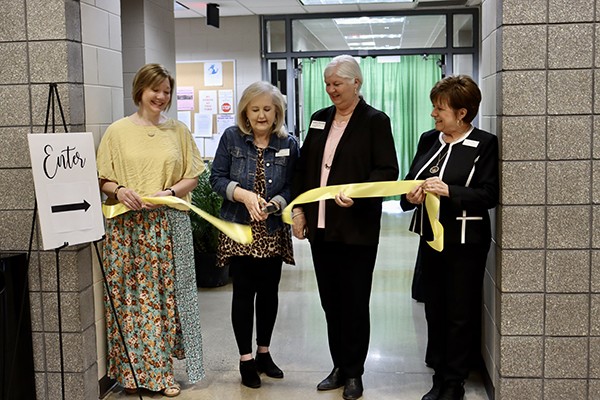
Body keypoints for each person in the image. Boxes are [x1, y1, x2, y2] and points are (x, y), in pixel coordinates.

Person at [291, 55, 399, 400]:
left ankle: (355, 373)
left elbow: (387, 171)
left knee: (353, 303)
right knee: (330, 303)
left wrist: (359, 194)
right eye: (327, 83)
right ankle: (338, 365)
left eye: (337, 83)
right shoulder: (319, 119)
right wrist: (299, 211)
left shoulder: (374, 121)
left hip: (356, 231)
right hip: (322, 230)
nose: (331, 90)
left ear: (356, 83)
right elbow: (305, 167)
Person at [96, 63, 205, 397]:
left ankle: (160, 374)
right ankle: (131, 375)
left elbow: (193, 176)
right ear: (140, 90)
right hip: (126, 228)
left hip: (164, 225)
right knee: (129, 301)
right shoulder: (117, 131)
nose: (161, 96)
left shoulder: (178, 131)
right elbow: (103, 178)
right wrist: (119, 190)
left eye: (166, 91)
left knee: (162, 301)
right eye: (155, 90)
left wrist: (170, 193)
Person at [400, 75, 499, 400]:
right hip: (431, 238)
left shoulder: (484, 144)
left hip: (466, 242)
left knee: (459, 310)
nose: (434, 114)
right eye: (434, 107)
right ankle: (439, 374)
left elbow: (489, 194)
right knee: (434, 307)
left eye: (440, 108)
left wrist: (450, 191)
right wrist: (411, 195)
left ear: (463, 113)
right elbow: (408, 184)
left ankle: (454, 382)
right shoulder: (429, 139)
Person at [209, 81, 299, 389]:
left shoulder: (289, 143)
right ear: (245, 112)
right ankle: (245, 359)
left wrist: (277, 204)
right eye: (255, 109)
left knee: (270, 293)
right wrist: (243, 195)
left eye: (267, 109)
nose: (261, 115)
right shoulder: (232, 137)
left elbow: (292, 186)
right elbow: (216, 178)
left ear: (277, 112)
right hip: (239, 229)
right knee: (244, 294)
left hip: (272, 230)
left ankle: (264, 353)